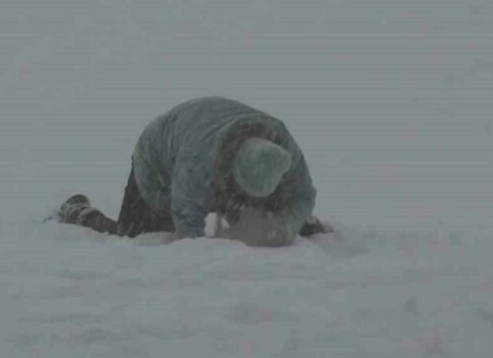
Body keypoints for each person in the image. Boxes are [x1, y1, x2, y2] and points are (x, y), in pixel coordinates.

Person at [52, 96, 331, 246]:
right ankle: (78, 212)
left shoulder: (283, 149)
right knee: (134, 237)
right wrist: (209, 253)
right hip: (159, 160)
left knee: (278, 221)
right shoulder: (199, 160)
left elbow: (304, 195)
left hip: (215, 145)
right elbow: (188, 225)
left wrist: (286, 225)